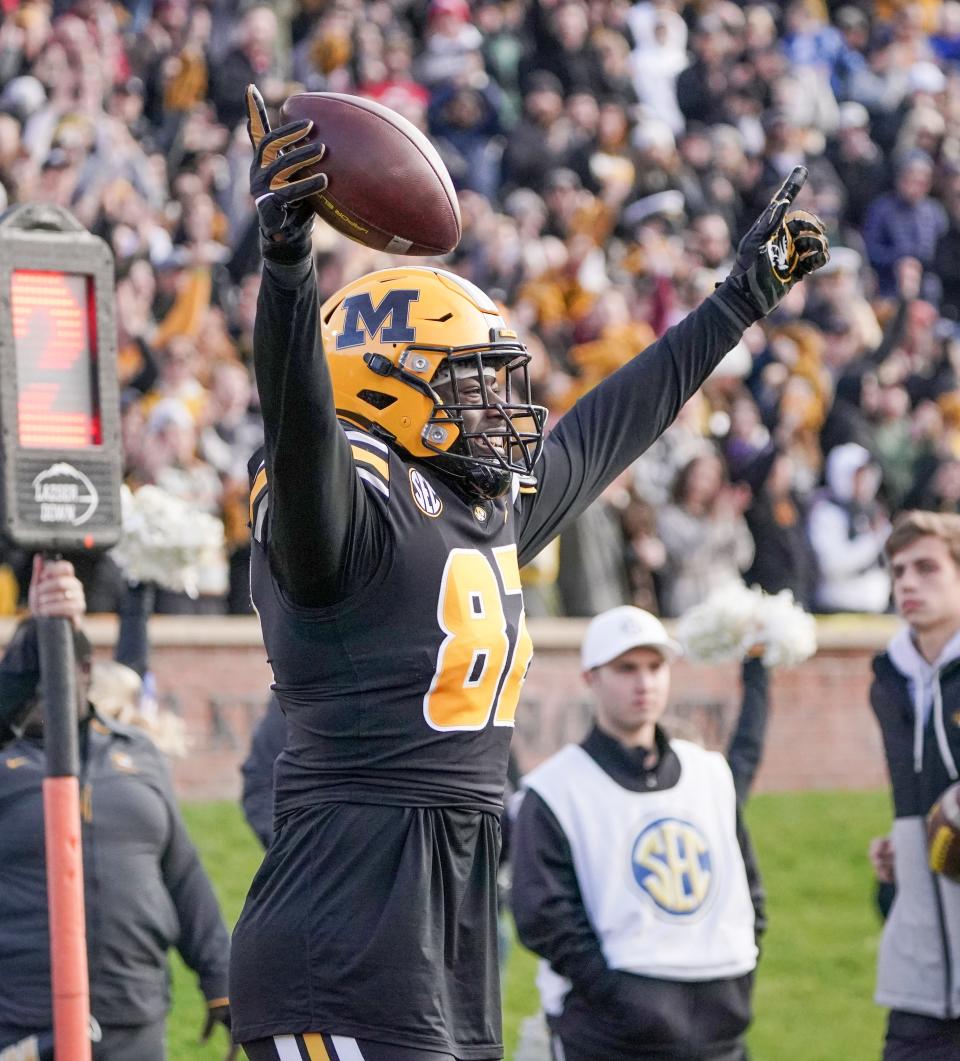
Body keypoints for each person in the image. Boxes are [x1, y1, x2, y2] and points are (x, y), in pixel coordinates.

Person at [228, 85, 827, 1061]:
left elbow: (608, 428)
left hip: (449, 922)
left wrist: (740, 297)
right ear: (385, 379)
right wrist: (289, 267)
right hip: (345, 916)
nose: (501, 409)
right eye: (471, 382)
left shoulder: (476, 508)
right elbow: (296, 423)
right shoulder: (345, 506)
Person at [0, 557, 234, 1061]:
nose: (43, 694)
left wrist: (220, 977)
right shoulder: (4, 762)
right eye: (31, 678)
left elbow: (182, 872)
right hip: (20, 1014)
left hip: (131, 1011)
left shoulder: (137, 754)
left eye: (55, 675)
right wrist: (41, 620)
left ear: (86, 673)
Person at [510, 606, 764, 1060]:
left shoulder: (709, 774)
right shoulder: (554, 790)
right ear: (591, 678)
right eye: (626, 669)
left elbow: (747, 890)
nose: (644, 683)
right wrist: (618, 993)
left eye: (655, 666)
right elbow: (542, 914)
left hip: (721, 1031)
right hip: (609, 1038)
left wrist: (737, 981)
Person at [869, 511, 960, 1060]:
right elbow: (918, 810)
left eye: (926, 568)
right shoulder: (889, 682)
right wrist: (903, 849)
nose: (907, 582)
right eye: (898, 570)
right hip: (921, 978)